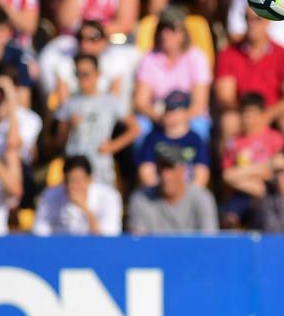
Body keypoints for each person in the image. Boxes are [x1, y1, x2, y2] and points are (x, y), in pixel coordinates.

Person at [215, 8, 284, 151]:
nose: (251, 24)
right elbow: (225, 97)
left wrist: (266, 116)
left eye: (257, 19)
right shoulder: (228, 54)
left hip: (272, 111)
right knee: (229, 122)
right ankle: (226, 168)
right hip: (241, 111)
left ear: (268, 21)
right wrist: (250, 115)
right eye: (247, 19)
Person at [54, 53, 140, 188]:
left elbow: (135, 129)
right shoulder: (69, 103)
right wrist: (69, 125)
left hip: (100, 166)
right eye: (78, 74)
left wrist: (113, 146)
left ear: (97, 74)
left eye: (86, 74)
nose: (81, 79)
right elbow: (58, 141)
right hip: (75, 165)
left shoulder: (110, 101)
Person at [133, 6, 213, 141]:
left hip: (189, 115)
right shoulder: (149, 58)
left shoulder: (196, 57)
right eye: (162, 29)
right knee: (140, 127)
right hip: (159, 114)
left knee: (199, 127)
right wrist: (160, 118)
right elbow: (141, 101)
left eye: (171, 30)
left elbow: (200, 103)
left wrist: (179, 118)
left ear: (183, 33)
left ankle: (199, 162)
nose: (165, 34)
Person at [220, 93, 284, 227]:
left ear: (263, 114)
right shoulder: (233, 142)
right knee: (232, 213)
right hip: (241, 192)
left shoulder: (275, 138)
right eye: (245, 114)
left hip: (268, 191)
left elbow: (277, 168)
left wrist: (241, 173)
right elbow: (227, 176)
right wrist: (261, 167)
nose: (248, 119)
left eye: (253, 114)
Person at [128, 149, 219, 234]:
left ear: (183, 170)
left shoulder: (202, 198)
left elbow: (209, 241)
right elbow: (139, 242)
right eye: (162, 169)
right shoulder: (141, 199)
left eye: (171, 169)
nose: (166, 176)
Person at [33, 154, 122, 236]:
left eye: (78, 181)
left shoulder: (110, 197)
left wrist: (87, 211)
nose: (72, 187)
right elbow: (40, 231)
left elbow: (109, 238)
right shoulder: (49, 196)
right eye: (68, 181)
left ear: (90, 179)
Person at [137, 91, 210, 188]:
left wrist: (186, 196)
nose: (168, 114)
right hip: (159, 193)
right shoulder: (152, 138)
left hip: (187, 192)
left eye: (173, 110)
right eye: (167, 109)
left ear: (185, 112)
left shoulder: (195, 140)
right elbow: (146, 171)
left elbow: (201, 174)